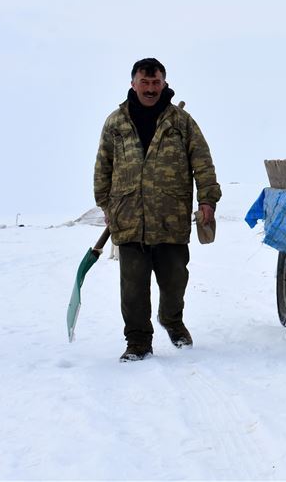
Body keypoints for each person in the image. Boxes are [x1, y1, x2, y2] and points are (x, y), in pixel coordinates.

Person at [94, 58, 221, 362]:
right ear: (133, 84)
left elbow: (202, 162)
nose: (150, 89)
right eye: (144, 82)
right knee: (133, 288)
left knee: (175, 281)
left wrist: (207, 200)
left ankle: (171, 319)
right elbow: (103, 165)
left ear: (164, 83)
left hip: (171, 216)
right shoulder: (116, 122)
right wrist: (105, 203)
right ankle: (138, 341)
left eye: (156, 83)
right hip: (129, 217)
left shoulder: (181, 122)